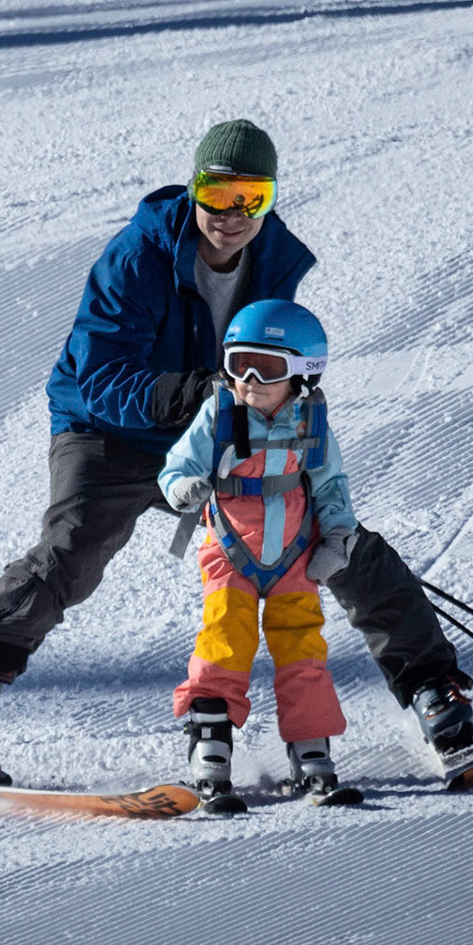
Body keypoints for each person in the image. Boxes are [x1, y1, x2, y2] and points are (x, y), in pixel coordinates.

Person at [0, 119, 473, 786]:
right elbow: (99, 376)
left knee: (325, 535)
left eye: (250, 196)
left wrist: (272, 418)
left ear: (270, 198)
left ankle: (433, 691)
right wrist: (203, 396)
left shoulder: (275, 262)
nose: (232, 214)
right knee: (75, 546)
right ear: (194, 189)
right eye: (217, 194)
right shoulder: (137, 256)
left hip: (223, 420)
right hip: (109, 428)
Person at [160, 299, 361, 811]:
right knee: (226, 635)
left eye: (266, 368)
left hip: (295, 553)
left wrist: (338, 536)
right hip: (231, 549)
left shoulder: (310, 422)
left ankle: (312, 752)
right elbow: (176, 464)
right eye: (237, 364)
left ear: (302, 372)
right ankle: (210, 747)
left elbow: (330, 485)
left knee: (302, 644)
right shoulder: (220, 414)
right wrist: (183, 487)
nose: (248, 379)